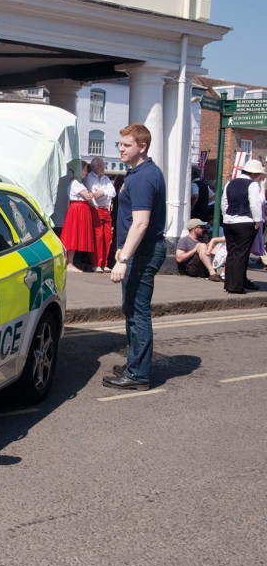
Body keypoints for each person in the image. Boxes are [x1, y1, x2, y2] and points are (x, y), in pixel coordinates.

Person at [104, 123, 166, 391]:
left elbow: (141, 223)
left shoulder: (142, 177)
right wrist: (122, 247)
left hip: (143, 253)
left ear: (142, 147)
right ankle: (135, 364)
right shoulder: (142, 172)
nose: (121, 149)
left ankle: (138, 374)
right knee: (132, 310)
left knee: (138, 314)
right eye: (120, 144)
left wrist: (123, 259)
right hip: (138, 250)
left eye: (127, 145)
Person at [220, 158, 265, 294]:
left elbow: (224, 203)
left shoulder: (230, 183)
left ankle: (228, 284)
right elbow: (255, 204)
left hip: (228, 222)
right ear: (255, 174)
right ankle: (236, 287)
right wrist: (257, 221)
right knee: (241, 255)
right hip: (245, 222)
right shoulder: (252, 185)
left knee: (231, 253)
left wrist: (226, 217)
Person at [59, 160, 96, 272]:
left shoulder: (77, 183)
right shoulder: (75, 183)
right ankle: (69, 263)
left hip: (78, 209)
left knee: (74, 235)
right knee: (73, 235)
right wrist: (96, 193)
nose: (86, 172)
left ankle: (70, 262)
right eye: (85, 170)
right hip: (77, 210)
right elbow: (88, 196)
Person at [85, 156, 116, 272]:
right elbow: (94, 193)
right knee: (98, 236)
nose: (103, 168)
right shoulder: (89, 178)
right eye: (101, 166)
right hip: (96, 209)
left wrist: (103, 192)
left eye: (104, 166)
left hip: (106, 209)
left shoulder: (106, 179)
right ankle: (96, 263)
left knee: (107, 236)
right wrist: (104, 192)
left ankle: (104, 263)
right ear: (94, 167)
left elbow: (112, 192)